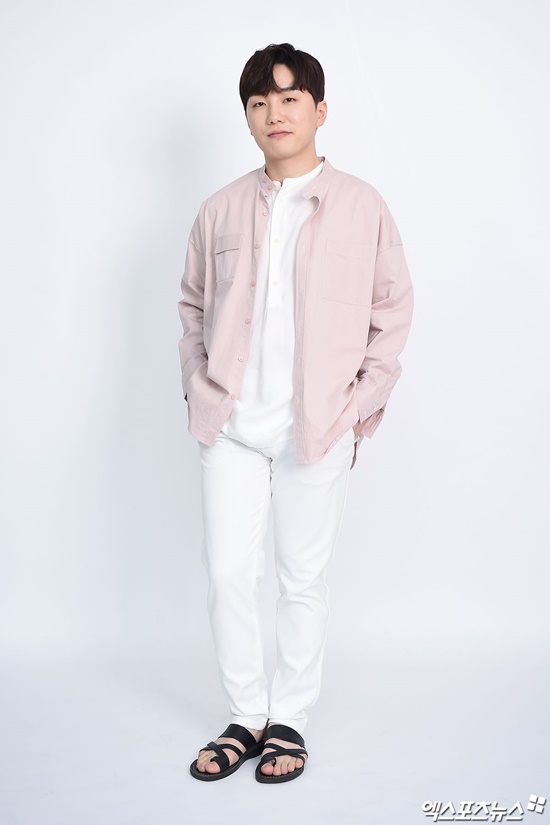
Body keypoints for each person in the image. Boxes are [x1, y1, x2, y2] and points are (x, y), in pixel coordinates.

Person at [178, 42, 414, 784]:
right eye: (259, 102)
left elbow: (392, 313)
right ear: (247, 117)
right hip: (232, 427)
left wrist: (355, 410)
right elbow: (192, 307)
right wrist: (198, 385)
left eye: (288, 98)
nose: (274, 113)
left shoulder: (362, 204)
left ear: (319, 109)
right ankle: (246, 715)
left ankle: (289, 720)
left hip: (317, 426)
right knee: (227, 574)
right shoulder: (219, 208)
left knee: (301, 578)